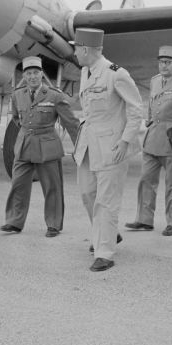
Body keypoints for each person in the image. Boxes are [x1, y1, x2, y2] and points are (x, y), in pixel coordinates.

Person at [72, 28, 143, 271]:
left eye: (76, 48)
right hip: (89, 146)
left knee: (106, 201)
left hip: (112, 147)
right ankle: (107, 233)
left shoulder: (116, 74)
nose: (74, 52)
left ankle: (104, 252)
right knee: (86, 193)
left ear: (85, 49)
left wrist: (125, 141)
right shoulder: (86, 72)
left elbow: (136, 111)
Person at [0, 56, 80, 237]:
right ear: (25, 76)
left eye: (36, 73)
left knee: (52, 186)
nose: (32, 77)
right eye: (28, 74)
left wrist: (80, 149)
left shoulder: (54, 95)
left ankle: (53, 224)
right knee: (18, 183)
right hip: (24, 144)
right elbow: (16, 118)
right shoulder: (17, 95)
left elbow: (71, 123)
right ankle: (14, 222)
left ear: (42, 74)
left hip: (47, 146)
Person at [126, 46, 172, 236]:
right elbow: (152, 105)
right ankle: (144, 219)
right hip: (152, 139)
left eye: (168, 62)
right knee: (146, 180)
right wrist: (149, 120)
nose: (164, 65)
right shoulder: (155, 81)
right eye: (161, 62)